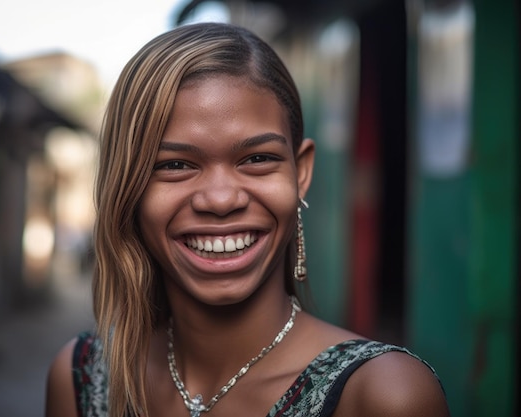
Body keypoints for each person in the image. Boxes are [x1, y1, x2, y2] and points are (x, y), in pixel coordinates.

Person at [45, 22, 449, 417]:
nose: (221, 200)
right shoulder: (82, 379)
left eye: (257, 159)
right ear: (126, 185)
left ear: (301, 172)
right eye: (176, 164)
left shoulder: (384, 396)